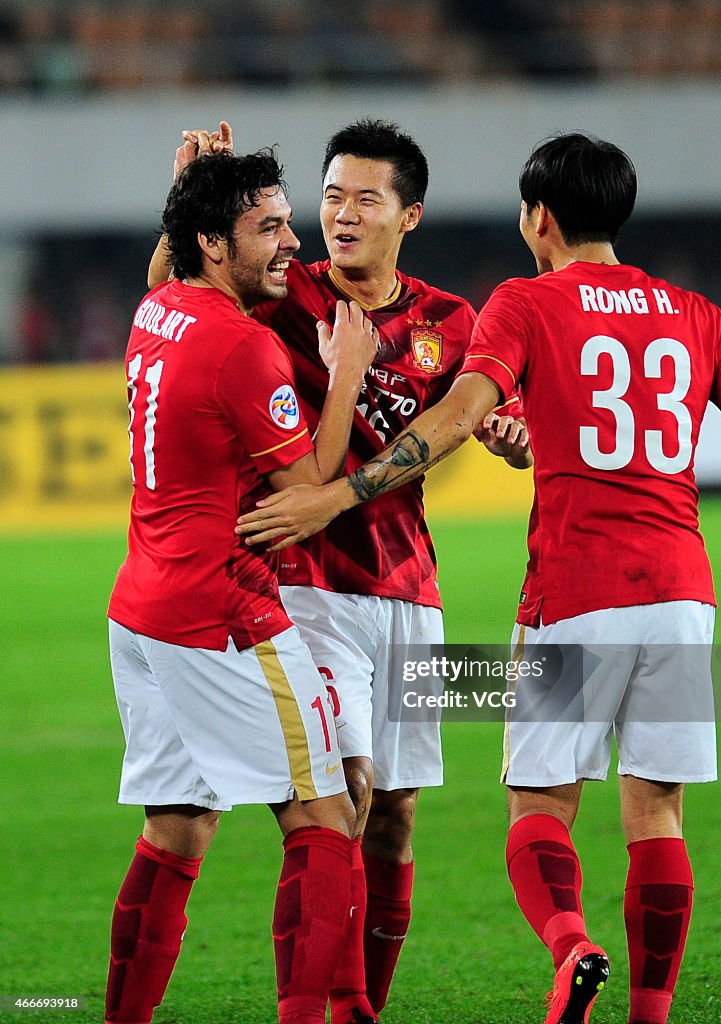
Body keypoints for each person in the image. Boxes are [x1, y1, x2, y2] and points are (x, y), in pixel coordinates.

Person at [235, 132, 721, 1024]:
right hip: (684, 594)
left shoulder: (521, 302)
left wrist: (343, 489)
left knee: (538, 803)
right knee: (658, 815)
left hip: (574, 590)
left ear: (539, 218)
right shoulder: (696, 313)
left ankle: (571, 943)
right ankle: (649, 1015)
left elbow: (460, 413)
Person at [149, 117, 530, 1024]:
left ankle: (366, 1005)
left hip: (408, 589)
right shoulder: (283, 290)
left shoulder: (450, 322)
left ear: (411, 214)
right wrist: (185, 215)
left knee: (396, 815)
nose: (340, 215)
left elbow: (497, 423)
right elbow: (172, 297)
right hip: (306, 583)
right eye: (330, 196)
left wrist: (511, 439)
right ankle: (328, 1006)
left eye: (365, 197)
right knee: (343, 794)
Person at [106, 148, 378, 1024]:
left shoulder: (161, 308)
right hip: (220, 614)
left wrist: (184, 194)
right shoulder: (242, 348)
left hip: (140, 610)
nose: (292, 241)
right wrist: (344, 379)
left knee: (176, 832)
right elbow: (307, 495)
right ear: (214, 245)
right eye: (268, 227)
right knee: (326, 818)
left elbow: (165, 264)